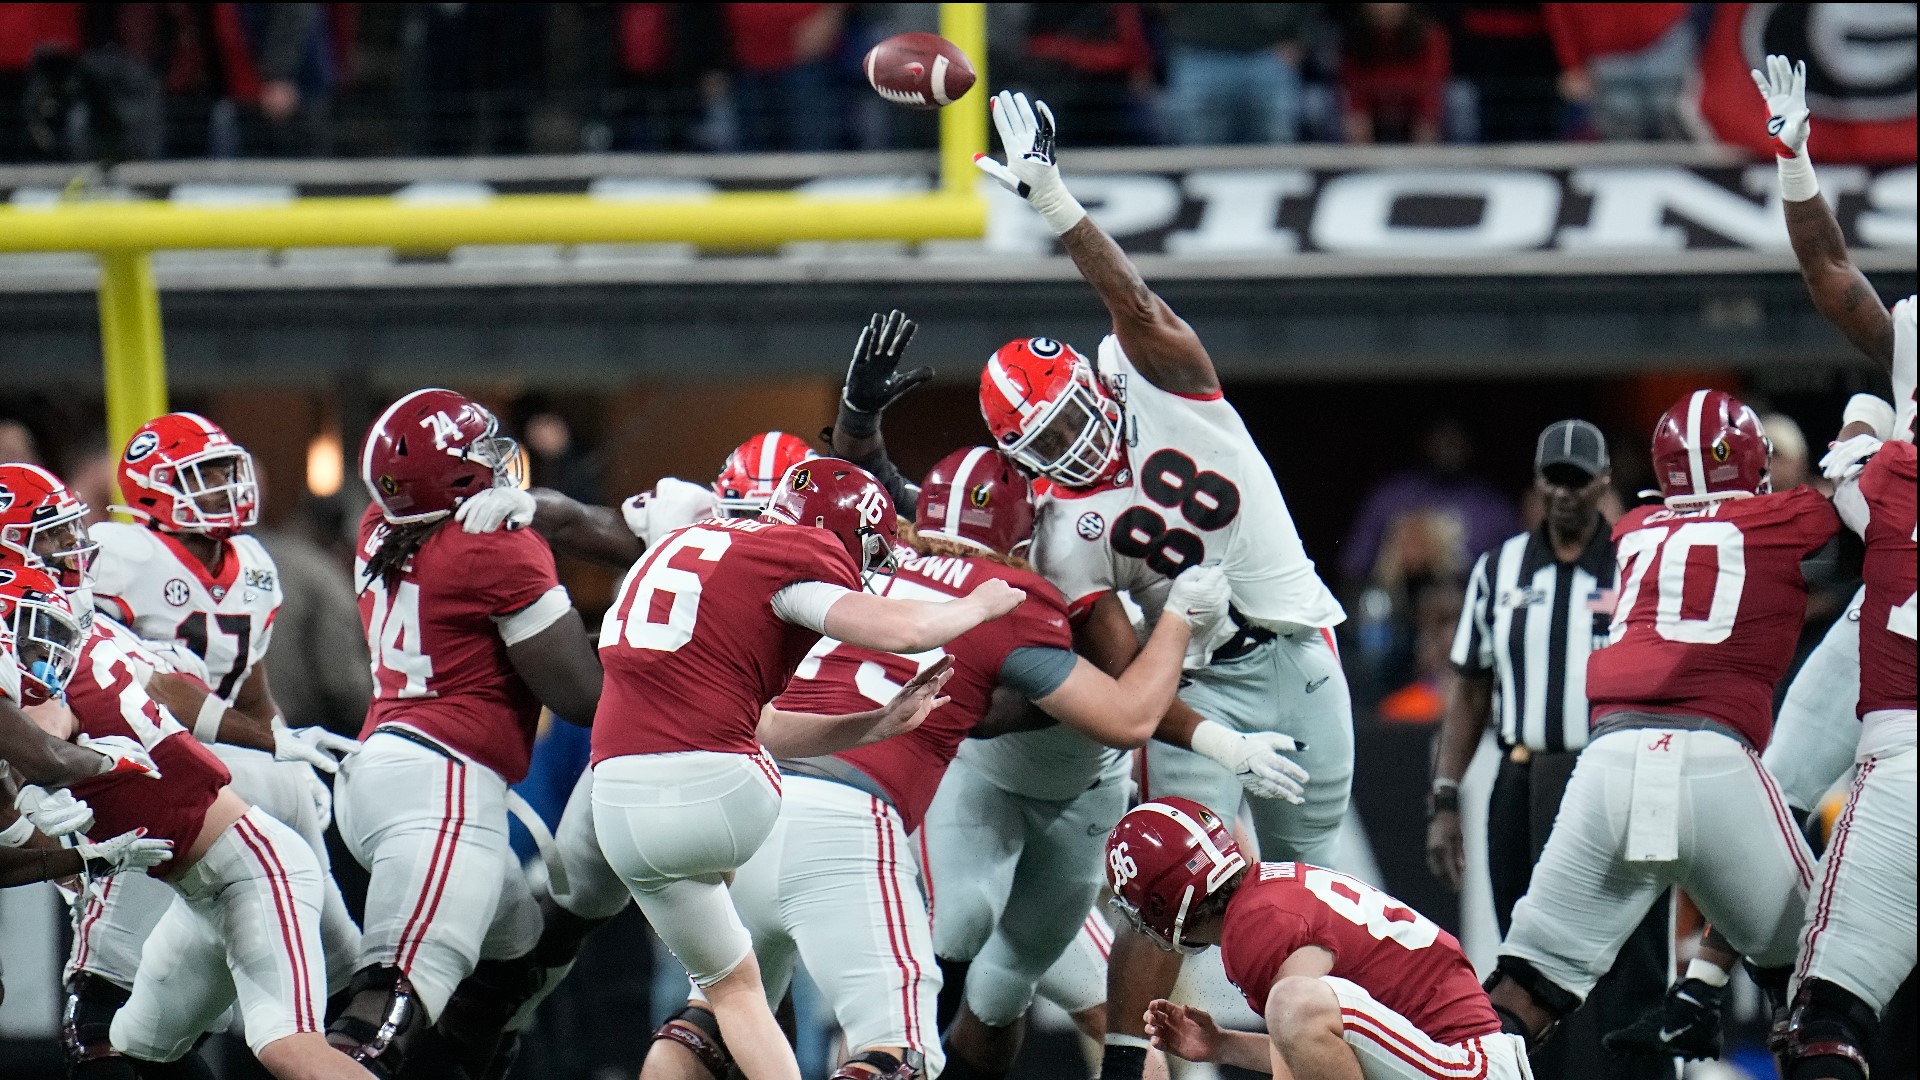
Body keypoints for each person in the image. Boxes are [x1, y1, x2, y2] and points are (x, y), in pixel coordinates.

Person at [973, 90, 1352, 1080]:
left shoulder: (1161, 376)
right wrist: (1220, 738)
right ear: (1025, 458)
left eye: (1069, 418)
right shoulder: (1063, 534)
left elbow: (1132, 301)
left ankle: (1323, 1059)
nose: (1072, 443)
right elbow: (1126, 680)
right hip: (1199, 681)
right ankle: (1135, 1069)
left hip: (1301, 647)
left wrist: (1055, 202)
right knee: (1166, 888)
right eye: (1045, 442)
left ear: (1092, 384)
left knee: (1317, 888)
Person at [643, 445, 1230, 1079]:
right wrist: (1178, 618)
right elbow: (1129, 717)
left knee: (711, 1020)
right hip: (851, 824)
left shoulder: (836, 572)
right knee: (898, 1053)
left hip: (752, 798)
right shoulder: (1008, 596)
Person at [1614, 55, 1920, 1062]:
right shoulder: (1914, 329)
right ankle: (1704, 987)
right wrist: (1795, 166)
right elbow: (1835, 281)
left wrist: (1865, 450)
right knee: (1766, 792)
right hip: (1886, 617)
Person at [593, 457, 1023, 1080]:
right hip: (726, 795)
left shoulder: (689, 542)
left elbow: (765, 725)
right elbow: (903, 628)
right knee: (902, 1052)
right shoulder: (794, 552)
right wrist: (977, 605)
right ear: (838, 528)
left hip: (620, 812)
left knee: (731, 994)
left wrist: (870, 727)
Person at [1487, 390, 1836, 1059]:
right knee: (1824, 988)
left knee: (1519, 990)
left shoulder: (1636, 529)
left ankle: (1461, 1064)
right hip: (1713, 762)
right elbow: (1860, 509)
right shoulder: (1782, 515)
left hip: (1610, 763)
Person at [0, 457, 363, 1076]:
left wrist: (268, 739)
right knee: (128, 1046)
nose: (73, 554)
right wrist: (81, 845)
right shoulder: (65, 625)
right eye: (52, 537)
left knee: (290, 1046)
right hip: (188, 878)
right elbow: (52, 738)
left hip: (240, 856)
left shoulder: (61, 629)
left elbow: (63, 731)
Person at [327, 388, 606, 1080]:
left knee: (508, 969)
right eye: (477, 454)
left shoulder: (377, 525)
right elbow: (580, 694)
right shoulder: (495, 551)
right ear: (452, 477)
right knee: (384, 1007)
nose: (495, 462)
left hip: (383, 771)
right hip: (443, 788)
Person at [1427, 421, 1668, 1078]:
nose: (1565, 494)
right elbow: (1470, 690)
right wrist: (1446, 796)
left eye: (1577, 479)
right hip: (1527, 777)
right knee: (1526, 957)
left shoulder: (1639, 561)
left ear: (1604, 482)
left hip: (1620, 775)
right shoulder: (1497, 569)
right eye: (1553, 479)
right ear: (1537, 483)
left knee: (1634, 958)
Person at [1105, 796, 1533, 1078]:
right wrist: (1222, 1045)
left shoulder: (1253, 926)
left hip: (1467, 1064)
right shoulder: (1265, 896)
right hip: (1452, 1059)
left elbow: (1300, 1017)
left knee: (1293, 1002)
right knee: (1294, 1006)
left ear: (1166, 903)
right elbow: (1310, 1049)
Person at [1779, 429, 1915, 1080]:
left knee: (1827, 1023)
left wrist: (1866, 429)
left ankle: (1707, 977)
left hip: (1903, 763)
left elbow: (1838, 488)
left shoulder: (1888, 481)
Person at [1163, 4, 1318, 145]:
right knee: (1196, 155)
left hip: (1269, 57)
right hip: (1198, 57)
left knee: (1278, 155)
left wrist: (1302, 39)